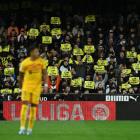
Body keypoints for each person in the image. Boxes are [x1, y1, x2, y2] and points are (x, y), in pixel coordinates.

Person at [18, 45, 48, 135]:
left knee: (33, 108)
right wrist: (20, 88)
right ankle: (22, 127)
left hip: (37, 88)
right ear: (31, 52)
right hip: (26, 87)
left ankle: (30, 129)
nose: (38, 53)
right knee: (25, 106)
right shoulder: (24, 63)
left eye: (38, 52)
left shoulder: (41, 62)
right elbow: (20, 76)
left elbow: (45, 74)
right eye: (36, 52)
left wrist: (46, 84)